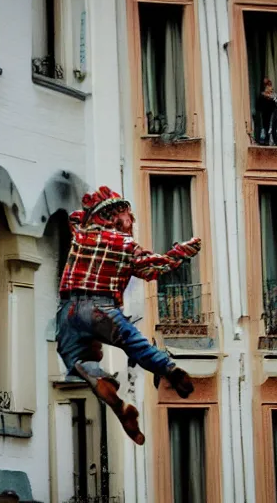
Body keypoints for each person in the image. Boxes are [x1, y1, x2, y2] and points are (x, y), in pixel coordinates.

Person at [56, 186, 201, 445]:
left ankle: (117, 403)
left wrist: (95, 211)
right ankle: (169, 369)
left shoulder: (80, 234)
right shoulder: (126, 245)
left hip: (69, 311)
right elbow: (153, 268)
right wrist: (181, 253)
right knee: (133, 343)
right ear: (113, 217)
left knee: (77, 360)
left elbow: (76, 216)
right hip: (102, 308)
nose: (131, 221)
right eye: (127, 215)